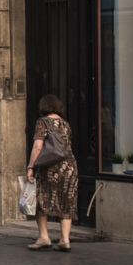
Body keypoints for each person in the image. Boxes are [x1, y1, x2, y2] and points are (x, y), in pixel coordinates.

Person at [27, 93, 77, 252]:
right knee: (67, 200)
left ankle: (44, 237)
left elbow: (37, 146)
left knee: (42, 199)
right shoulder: (65, 124)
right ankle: (65, 239)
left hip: (50, 167)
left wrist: (31, 167)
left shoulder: (42, 122)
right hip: (69, 167)